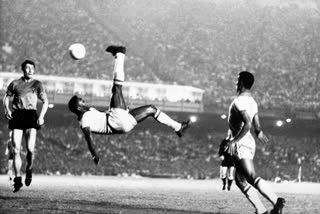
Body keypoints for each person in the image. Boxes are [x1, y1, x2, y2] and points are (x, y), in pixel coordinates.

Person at [68, 45, 191, 165]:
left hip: (123, 124)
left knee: (151, 109)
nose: (83, 100)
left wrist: (120, 110)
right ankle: (120, 54)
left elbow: (99, 116)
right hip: (116, 121)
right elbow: (88, 138)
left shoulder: (89, 112)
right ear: (78, 107)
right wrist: (94, 153)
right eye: (81, 100)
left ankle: (178, 127)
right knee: (117, 88)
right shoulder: (84, 120)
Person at [226, 71, 285, 214]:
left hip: (242, 143)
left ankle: (276, 200)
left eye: (237, 80)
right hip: (249, 142)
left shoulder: (239, 101)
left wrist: (234, 140)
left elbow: (247, 124)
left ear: (240, 83)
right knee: (240, 180)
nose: (235, 83)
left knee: (251, 176)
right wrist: (259, 133)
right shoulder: (253, 102)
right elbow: (257, 127)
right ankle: (261, 210)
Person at [3, 59, 49, 192]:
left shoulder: (37, 84)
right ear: (23, 69)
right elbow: (6, 97)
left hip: (31, 115)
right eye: (28, 68)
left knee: (29, 149)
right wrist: (7, 109)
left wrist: (41, 117)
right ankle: (18, 179)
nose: (30, 70)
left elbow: (45, 102)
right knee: (16, 148)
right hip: (17, 115)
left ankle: (29, 169)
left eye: (32, 68)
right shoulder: (15, 83)